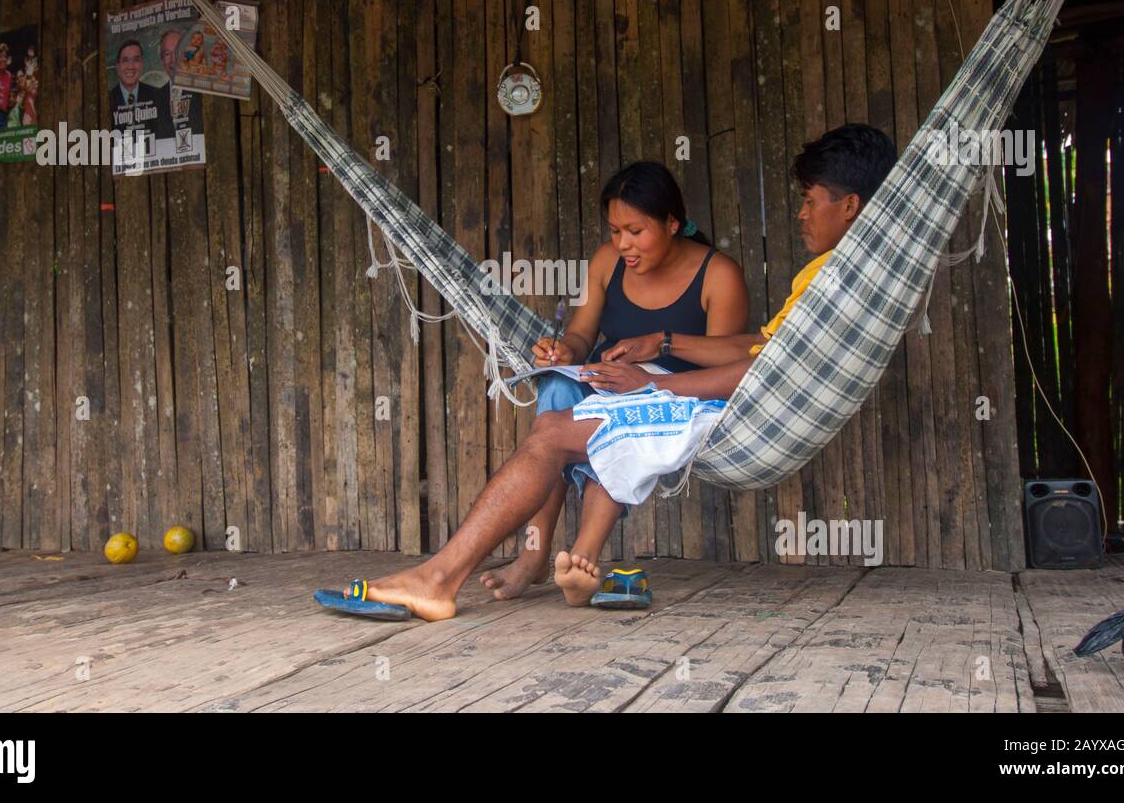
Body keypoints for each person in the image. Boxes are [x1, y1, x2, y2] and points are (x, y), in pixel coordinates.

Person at [335, 123, 898, 621]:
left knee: (556, 431)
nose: (801, 212)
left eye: (809, 200)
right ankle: (533, 560)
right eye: (615, 232)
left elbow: (754, 371)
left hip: (711, 410)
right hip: (681, 393)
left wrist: (655, 376)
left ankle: (447, 577)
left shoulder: (809, 279)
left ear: (849, 205)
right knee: (565, 402)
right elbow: (766, 354)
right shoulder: (836, 274)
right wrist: (593, 350)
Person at [478, 161, 749, 606]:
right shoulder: (607, 262)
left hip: (681, 398)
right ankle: (535, 550)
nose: (623, 244)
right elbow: (583, 334)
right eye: (615, 230)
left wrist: (653, 366)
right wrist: (564, 351)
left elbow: (724, 368)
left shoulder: (719, 275)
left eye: (636, 231)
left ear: (672, 224)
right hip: (611, 382)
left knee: (610, 413)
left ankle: (583, 556)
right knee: (557, 390)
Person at [108, 39, 173, 140]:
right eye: (125, 60)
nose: (131, 66)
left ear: (142, 64)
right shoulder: (107, 101)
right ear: (118, 67)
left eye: (136, 60)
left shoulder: (158, 96)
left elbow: (166, 134)